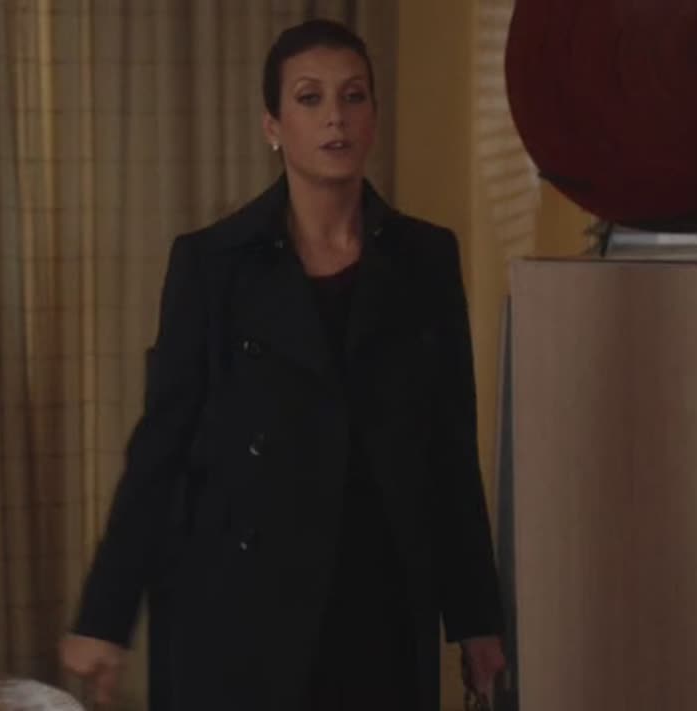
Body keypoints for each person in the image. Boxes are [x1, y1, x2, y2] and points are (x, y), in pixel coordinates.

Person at [60, 18, 506, 711]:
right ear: (273, 125)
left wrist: (476, 618)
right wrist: (105, 614)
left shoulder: (424, 260)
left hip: (381, 604)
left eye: (353, 96)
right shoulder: (212, 265)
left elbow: (448, 451)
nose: (335, 117)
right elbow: (161, 447)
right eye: (309, 98)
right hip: (240, 609)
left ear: (374, 116)